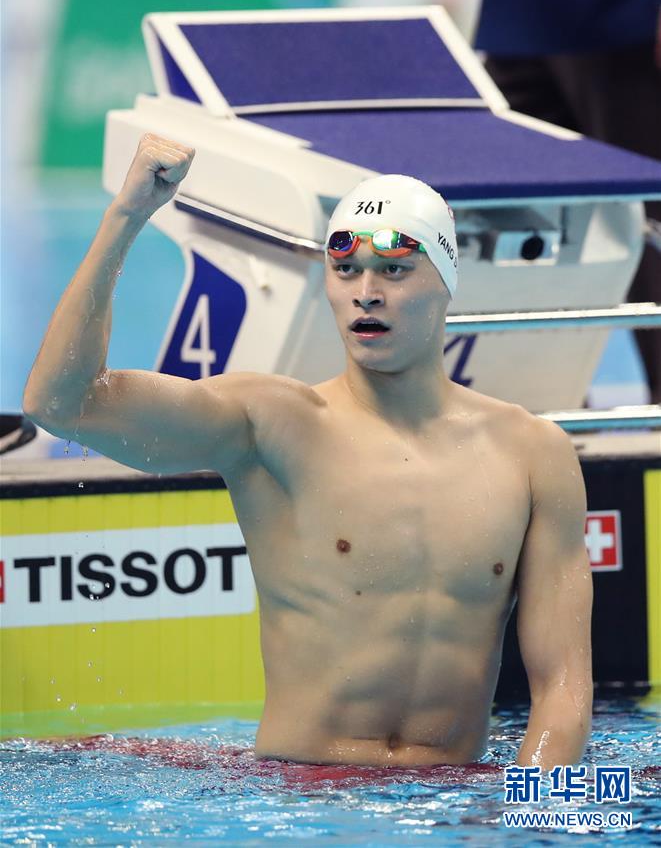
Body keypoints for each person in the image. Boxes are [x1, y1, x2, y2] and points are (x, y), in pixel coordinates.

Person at [23, 133, 593, 769]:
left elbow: (563, 693)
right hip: (303, 795)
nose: (366, 292)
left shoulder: (533, 453)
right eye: (345, 269)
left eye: (395, 270)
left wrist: (535, 821)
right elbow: (61, 404)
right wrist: (126, 217)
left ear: (447, 281)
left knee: (612, 811)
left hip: (455, 798)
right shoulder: (271, 424)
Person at [474, 0, 661, 403]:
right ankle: (550, 419)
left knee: (651, 227)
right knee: (520, 231)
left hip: (627, 5)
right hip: (521, 7)